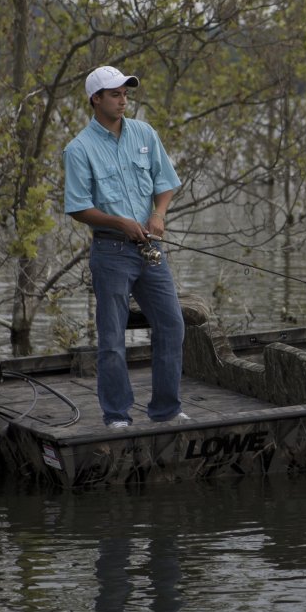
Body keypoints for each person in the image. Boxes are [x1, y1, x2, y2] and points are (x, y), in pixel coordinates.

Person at [63, 65, 187, 426]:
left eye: (126, 93)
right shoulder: (78, 149)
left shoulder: (145, 133)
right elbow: (78, 207)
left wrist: (159, 214)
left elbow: (165, 182)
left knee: (172, 325)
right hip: (110, 252)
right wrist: (119, 222)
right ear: (95, 99)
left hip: (151, 252)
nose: (123, 100)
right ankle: (117, 415)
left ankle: (167, 410)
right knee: (113, 338)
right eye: (115, 94)